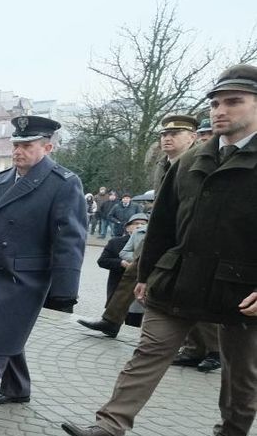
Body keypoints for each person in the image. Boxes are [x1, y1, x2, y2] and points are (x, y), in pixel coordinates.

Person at [63, 64, 257, 436]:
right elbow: (162, 224)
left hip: (242, 289)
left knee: (240, 372)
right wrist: (147, 274)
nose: (221, 111)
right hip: (178, 279)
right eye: (216, 102)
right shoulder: (191, 161)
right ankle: (110, 427)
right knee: (148, 351)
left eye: (234, 102)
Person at [0, 116, 87, 424]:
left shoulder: (63, 183)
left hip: (26, 276)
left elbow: (70, 238)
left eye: (27, 145)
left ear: (47, 147)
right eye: (16, 144)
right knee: (8, 334)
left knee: (5, 336)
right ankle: (18, 388)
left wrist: (65, 290)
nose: (18, 151)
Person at [78, 114, 199, 340]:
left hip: (186, 233)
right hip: (161, 231)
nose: (167, 138)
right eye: (164, 134)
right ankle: (111, 320)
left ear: (192, 137)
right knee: (134, 270)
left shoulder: (197, 163)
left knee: (190, 287)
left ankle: (208, 348)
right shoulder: (163, 164)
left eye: (174, 134)